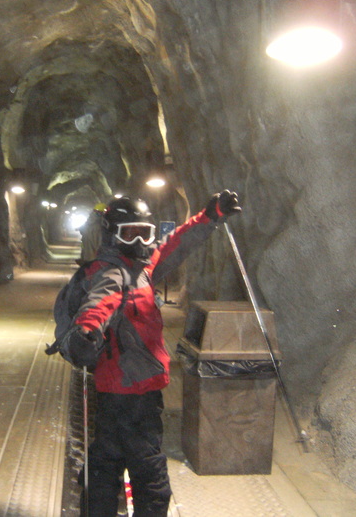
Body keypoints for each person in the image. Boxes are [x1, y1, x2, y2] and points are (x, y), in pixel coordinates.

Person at [65, 190, 241, 517]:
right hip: (131, 394)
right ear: (112, 234)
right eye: (130, 233)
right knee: (148, 472)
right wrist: (87, 331)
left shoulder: (140, 268)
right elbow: (99, 304)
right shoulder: (113, 273)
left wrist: (210, 215)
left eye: (145, 233)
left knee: (106, 461)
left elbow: (174, 245)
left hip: (121, 388)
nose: (140, 241)